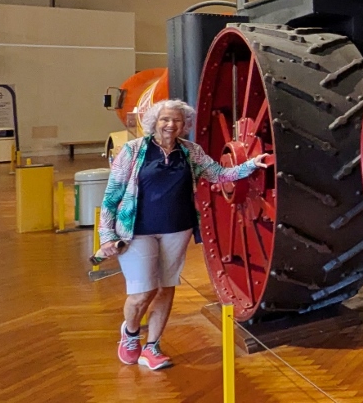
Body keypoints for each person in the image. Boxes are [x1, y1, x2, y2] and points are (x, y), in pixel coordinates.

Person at [95, 99, 270, 370]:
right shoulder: (133, 151)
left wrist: (250, 166)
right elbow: (111, 197)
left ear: (183, 125)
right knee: (143, 291)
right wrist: (106, 236)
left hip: (177, 228)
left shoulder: (190, 152)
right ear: (154, 121)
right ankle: (130, 334)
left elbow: (220, 175)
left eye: (177, 120)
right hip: (136, 232)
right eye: (165, 119)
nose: (170, 124)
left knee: (166, 287)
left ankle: (152, 346)